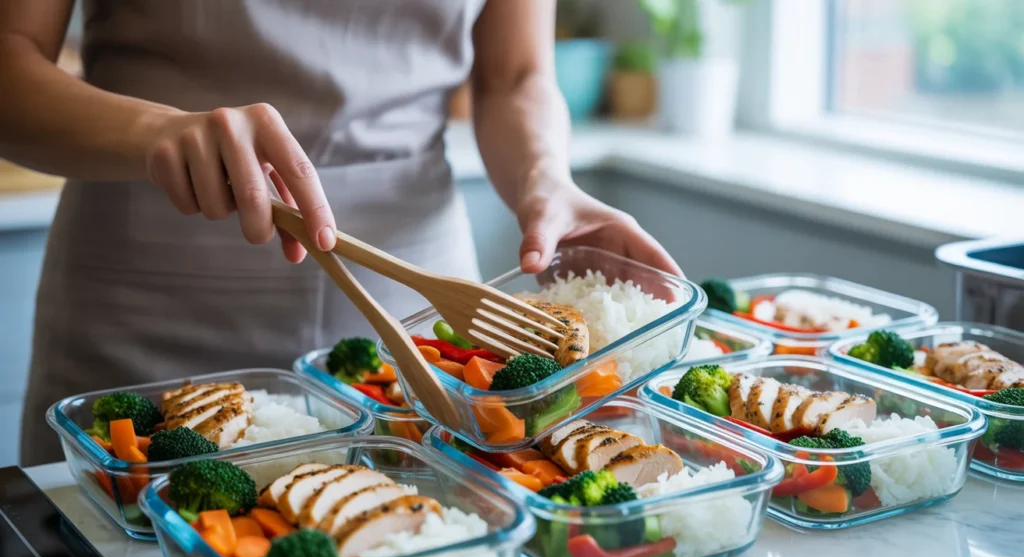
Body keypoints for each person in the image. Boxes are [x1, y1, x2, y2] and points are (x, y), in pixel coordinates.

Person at [0, 1, 682, 466]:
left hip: (422, 310)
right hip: (151, 286)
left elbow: (515, 76)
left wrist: (546, 177)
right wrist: (157, 132)